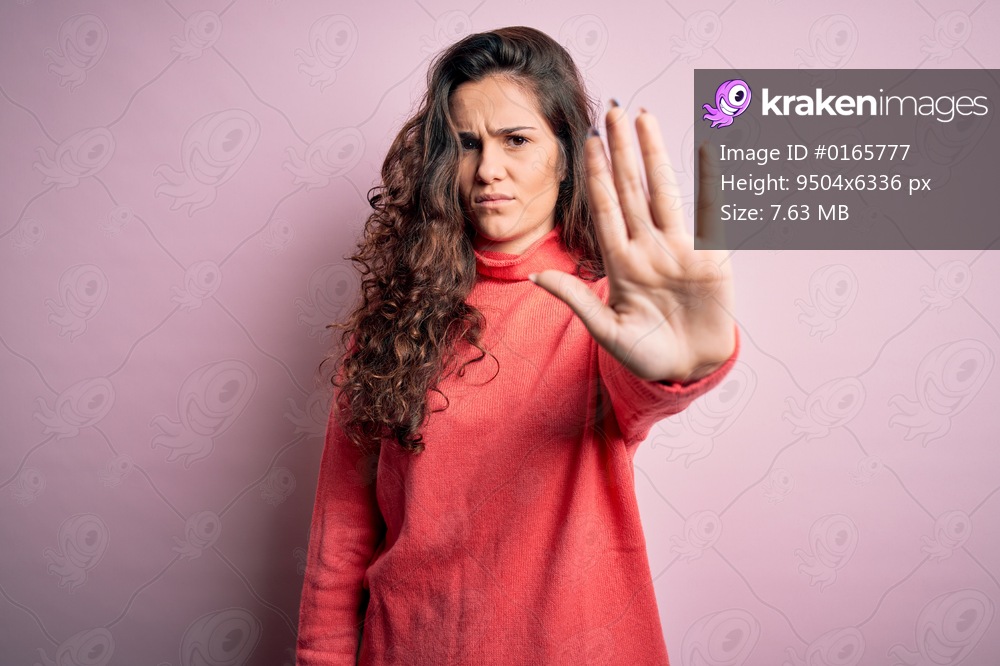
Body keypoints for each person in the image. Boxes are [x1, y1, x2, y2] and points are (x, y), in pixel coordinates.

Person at [296, 26, 739, 666]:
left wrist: (688, 362)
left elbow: (650, 383)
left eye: (517, 139)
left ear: (565, 155)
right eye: (466, 144)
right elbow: (343, 525)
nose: (488, 169)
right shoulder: (392, 319)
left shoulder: (605, 310)